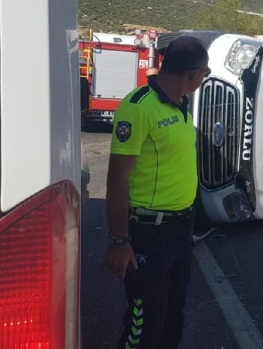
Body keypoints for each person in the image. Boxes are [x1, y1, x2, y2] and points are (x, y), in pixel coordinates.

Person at [105, 35, 210, 349]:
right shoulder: (138, 108)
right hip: (148, 234)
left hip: (180, 230)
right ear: (192, 73)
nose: (204, 79)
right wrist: (119, 241)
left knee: (172, 317)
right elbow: (116, 179)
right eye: (205, 73)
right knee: (145, 322)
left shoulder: (182, 106)